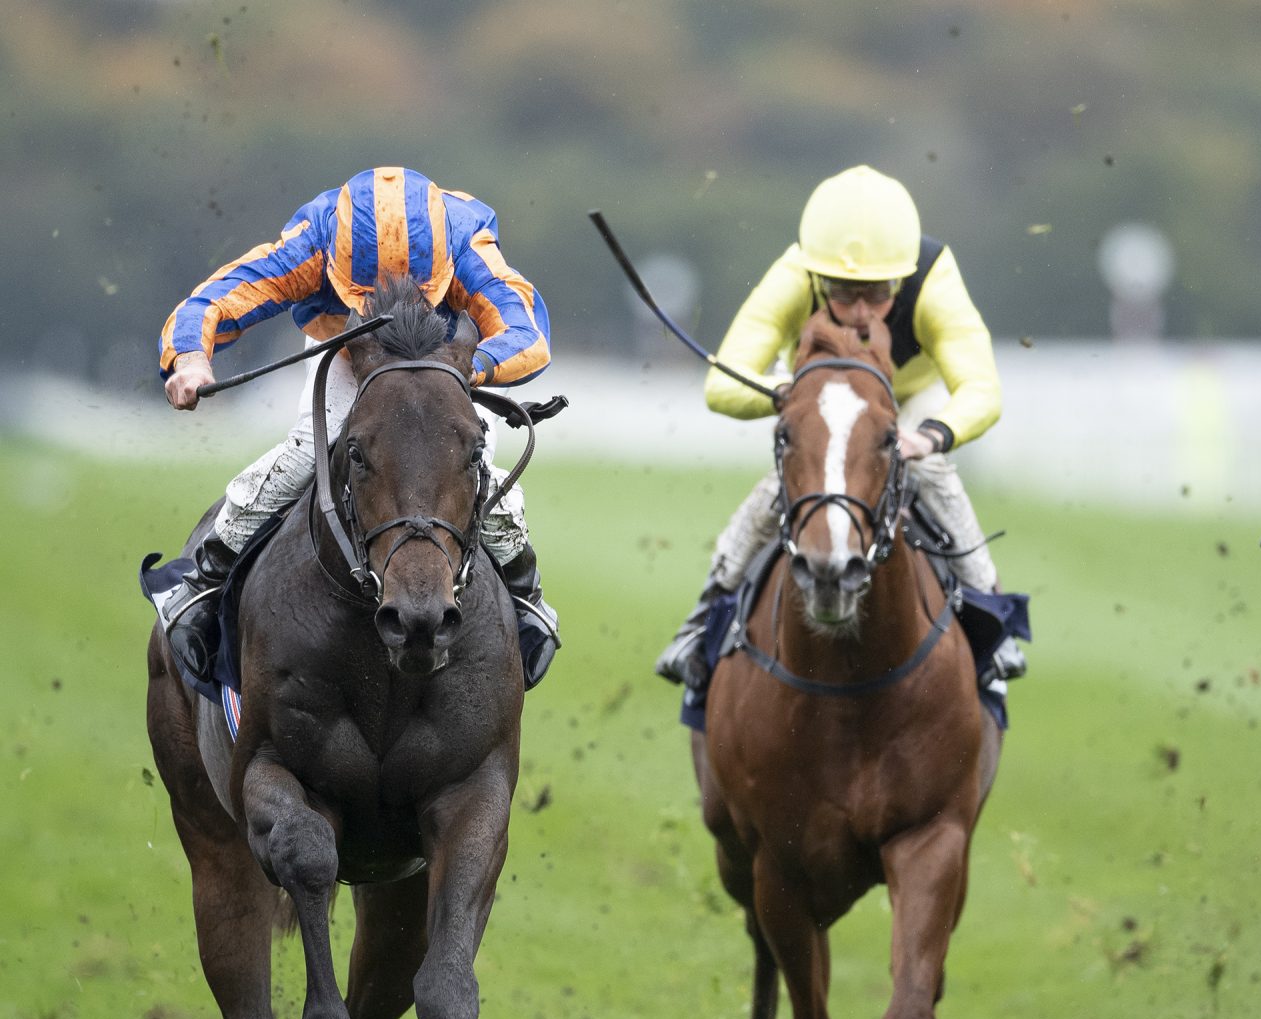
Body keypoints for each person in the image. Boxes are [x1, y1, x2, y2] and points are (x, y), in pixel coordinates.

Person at [156, 165, 561, 687]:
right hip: (349, 355)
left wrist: (468, 367)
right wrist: (189, 357)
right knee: (308, 453)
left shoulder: (463, 236)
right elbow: (219, 297)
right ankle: (207, 581)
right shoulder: (317, 238)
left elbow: (527, 332)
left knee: (471, 462)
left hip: (446, 360)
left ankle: (527, 599)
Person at [654, 164, 1020, 689]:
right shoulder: (794, 273)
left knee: (934, 471)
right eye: (844, 293)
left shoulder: (934, 276)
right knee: (795, 484)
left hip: (909, 401)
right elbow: (721, 385)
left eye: (878, 293)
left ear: (902, 275)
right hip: (819, 399)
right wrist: (786, 394)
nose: (861, 313)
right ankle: (704, 616)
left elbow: (983, 390)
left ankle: (991, 613)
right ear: (817, 277)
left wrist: (930, 436)